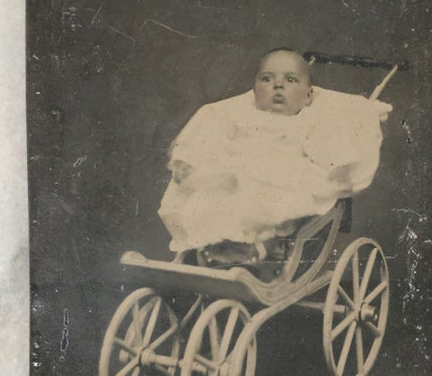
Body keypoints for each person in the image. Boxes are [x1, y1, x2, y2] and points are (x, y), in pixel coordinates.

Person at [158, 49, 391, 266]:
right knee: (206, 199)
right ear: (254, 90)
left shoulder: (311, 121)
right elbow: (209, 132)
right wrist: (189, 162)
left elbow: (333, 146)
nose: (278, 85)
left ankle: (252, 246)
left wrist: (340, 167)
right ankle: (214, 245)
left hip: (283, 180)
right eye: (267, 79)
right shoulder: (240, 115)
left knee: (263, 203)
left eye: (291, 80)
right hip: (235, 178)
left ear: (309, 96)